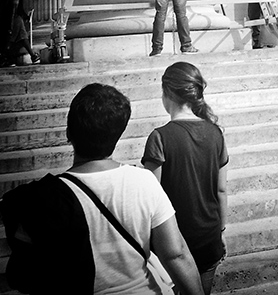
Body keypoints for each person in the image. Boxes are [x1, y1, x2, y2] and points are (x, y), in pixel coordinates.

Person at [0, 83, 204, 294]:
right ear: (117, 136)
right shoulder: (144, 181)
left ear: (69, 132)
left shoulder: (45, 198)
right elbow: (176, 255)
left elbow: (23, 275)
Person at [142, 62, 228, 294]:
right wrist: (220, 231)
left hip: (174, 240)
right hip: (209, 237)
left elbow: (151, 197)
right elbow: (221, 190)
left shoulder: (159, 137)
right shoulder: (215, 132)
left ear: (167, 93)